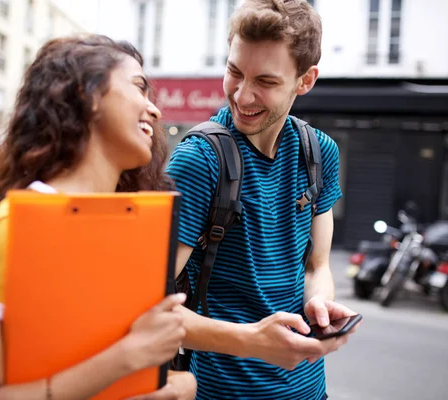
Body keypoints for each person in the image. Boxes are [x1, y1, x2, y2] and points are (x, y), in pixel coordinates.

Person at [0, 35, 196, 400]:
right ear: (87, 94)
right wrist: (126, 357)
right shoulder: (17, 224)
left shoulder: (127, 225)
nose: (154, 110)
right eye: (139, 87)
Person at [166, 1, 360, 399]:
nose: (242, 94)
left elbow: (317, 266)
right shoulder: (198, 160)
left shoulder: (319, 151)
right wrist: (252, 340)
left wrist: (321, 304)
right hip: (220, 391)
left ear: (304, 81)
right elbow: (145, 304)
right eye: (234, 71)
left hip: (309, 389)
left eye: (266, 82)